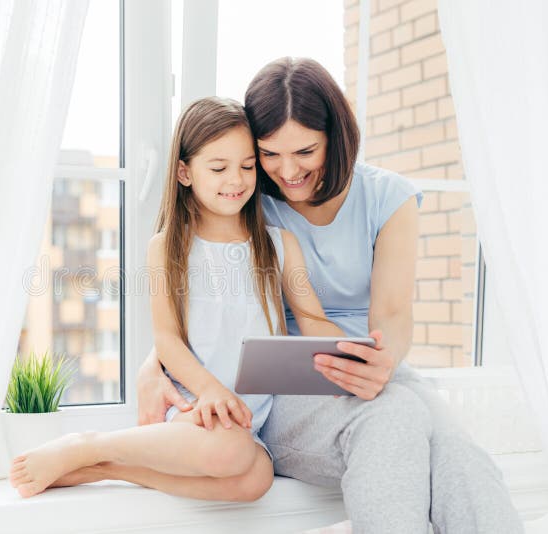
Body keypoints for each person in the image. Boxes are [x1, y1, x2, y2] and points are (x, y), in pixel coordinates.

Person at [136, 58, 524, 533]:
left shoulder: (387, 197)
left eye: (304, 151)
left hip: (363, 359)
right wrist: (152, 364)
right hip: (281, 383)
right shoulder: (248, 194)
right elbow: (206, 296)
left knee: (459, 454)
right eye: (269, 154)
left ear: (335, 138)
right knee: (392, 418)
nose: (287, 170)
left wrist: (382, 360)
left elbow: (394, 313)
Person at [9, 97, 345, 500]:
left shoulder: (279, 244)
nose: (235, 180)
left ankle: (101, 469)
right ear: (185, 172)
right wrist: (208, 391)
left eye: (247, 166)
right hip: (192, 404)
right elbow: (167, 340)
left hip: (247, 416)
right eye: (218, 168)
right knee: (231, 451)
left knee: (255, 480)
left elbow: (312, 319)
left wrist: (352, 350)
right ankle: (89, 444)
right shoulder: (168, 247)